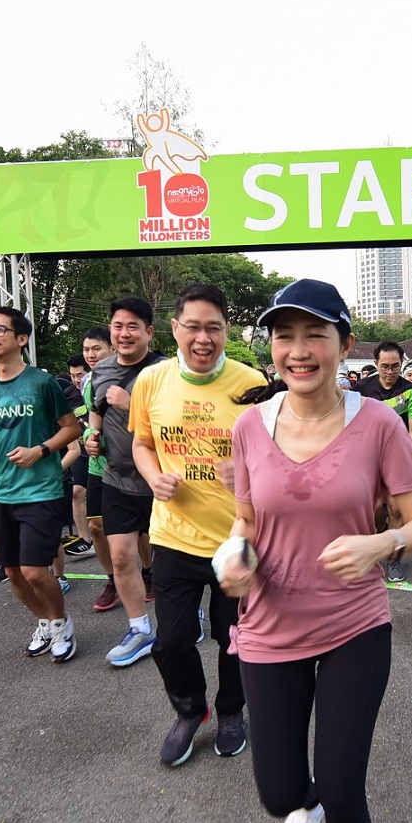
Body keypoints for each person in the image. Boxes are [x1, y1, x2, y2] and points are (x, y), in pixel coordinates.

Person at [215, 278, 412, 823]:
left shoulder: (380, 425)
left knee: (342, 784)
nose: (299, 350)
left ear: (345, 344)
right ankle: (300, 803)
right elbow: (246, 521)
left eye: (316, 335)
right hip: (268, 624)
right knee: (279, 793)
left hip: (353, 624)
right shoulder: (250, 427)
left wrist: (381, 544)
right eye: (285, 336)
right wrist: (234, 557)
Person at [130, 284, 267, 764]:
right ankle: (191, 711)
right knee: (170, 640)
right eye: (193, 327)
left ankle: (231, 711)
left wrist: (248, 470)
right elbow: (142, 443)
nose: (203, 338)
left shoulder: (252, 382)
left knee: (236, 640)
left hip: (237, 538)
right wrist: (153, 478)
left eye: (214, 328)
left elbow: (277, 454)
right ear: (174, 329)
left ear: (227, 331)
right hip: (173, 535)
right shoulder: (151, 380)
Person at [0, 307, 83, 661]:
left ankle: (60, 622)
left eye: (1, 329)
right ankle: (45, 621)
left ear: (22, 339)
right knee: (13, 572)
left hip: (41, 489)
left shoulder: (41, 383)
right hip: (1, 492)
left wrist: (39, 451)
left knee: (34, 570)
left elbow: (72, 428)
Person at [87, 296, 166, 665]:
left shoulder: (166, 370)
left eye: (133, 326)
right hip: (116, 477)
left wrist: (129, 403)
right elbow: (96, 412)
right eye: (118, 326)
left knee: (172, 561)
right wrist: (92, 436)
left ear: (149, 332)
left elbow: (175, 421)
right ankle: (140, 628)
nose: (124, 333)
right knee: (120, 557)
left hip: (161, 479)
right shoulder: (101, 370)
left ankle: (185, 615)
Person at [357, 341, 412, 584]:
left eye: (395, 366)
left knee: (397, 509)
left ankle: (394, 559)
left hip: (400, 457)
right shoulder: (361, 389)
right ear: (376, 364)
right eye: (385, 366)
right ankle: (381, 536)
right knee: (375, 507)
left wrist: (404, 458)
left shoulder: (411, 391)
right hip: (368, 457)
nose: (390, 371)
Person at [75, 327, 120, 608]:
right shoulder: (87, 382)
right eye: (86, 349)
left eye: (96, 349)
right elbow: (90, 422)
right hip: (97, 466)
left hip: (129, 466)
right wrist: (89, 437)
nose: (90, 355)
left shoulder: (130, 377)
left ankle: (148, 571)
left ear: (112, 349)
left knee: (141, 531)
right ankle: (112, 580)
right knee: (96, 525)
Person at [60, 350, 96, 559]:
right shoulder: (68, 394)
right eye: (72, 375)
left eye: (79, 375)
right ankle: (85, 539)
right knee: (77, 492)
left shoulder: (98, 388)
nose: (75, 380)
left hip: (103, 451)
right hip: (81, 452)